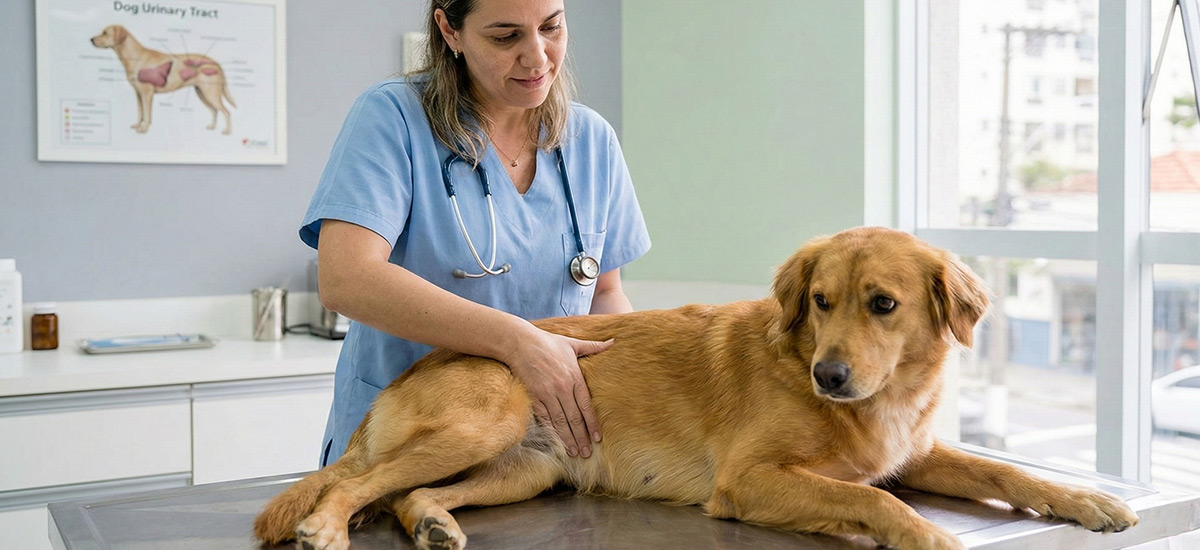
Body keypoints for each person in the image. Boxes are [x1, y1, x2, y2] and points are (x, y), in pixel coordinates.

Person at [299, 0, 651, 468]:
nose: (538, 57)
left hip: (542, 448)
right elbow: (346, 278)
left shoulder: (592, 140)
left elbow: (605, 294)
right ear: (450, 30)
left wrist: (632, 398)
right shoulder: (393, 116)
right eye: (505, 37)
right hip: (411, 435)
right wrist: (518, 342)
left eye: (552, 27)